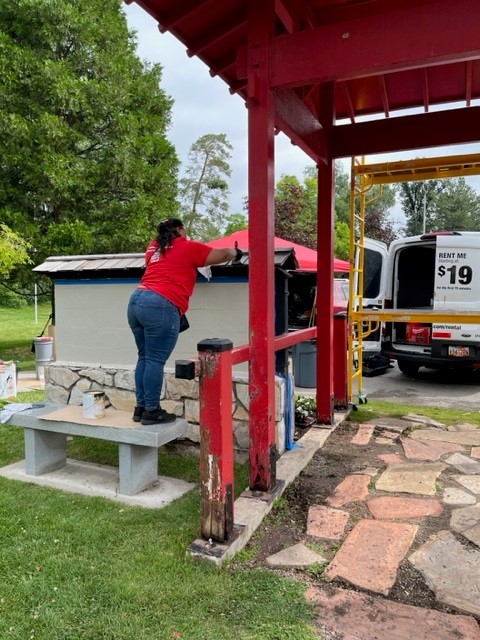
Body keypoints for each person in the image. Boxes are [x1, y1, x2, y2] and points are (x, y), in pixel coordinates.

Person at [127, 218, 242, 425]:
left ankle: (141, 408)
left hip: (136, 301)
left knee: (144, 357)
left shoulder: (153, 248)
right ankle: (152, 412)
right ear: (179, 230)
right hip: (161, 304)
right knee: (154, 360)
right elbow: (223, 254)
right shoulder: (187, 247)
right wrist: (235, 253)